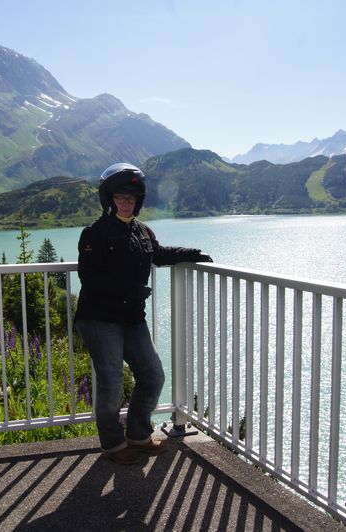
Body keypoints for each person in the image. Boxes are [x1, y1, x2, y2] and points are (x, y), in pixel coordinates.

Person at [75, 162, 212, 465]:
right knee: (111, 383)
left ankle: (138, 435)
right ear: (109, 199)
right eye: (120, 197)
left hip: (132, 318)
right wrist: (129, 290)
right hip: (99, 319)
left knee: (153, 375)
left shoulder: (143, 231)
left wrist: (192, 254)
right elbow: (90, 278)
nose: (126, 202)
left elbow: (159, 254)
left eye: (132, 197)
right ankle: (113, 444)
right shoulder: (94, 233)